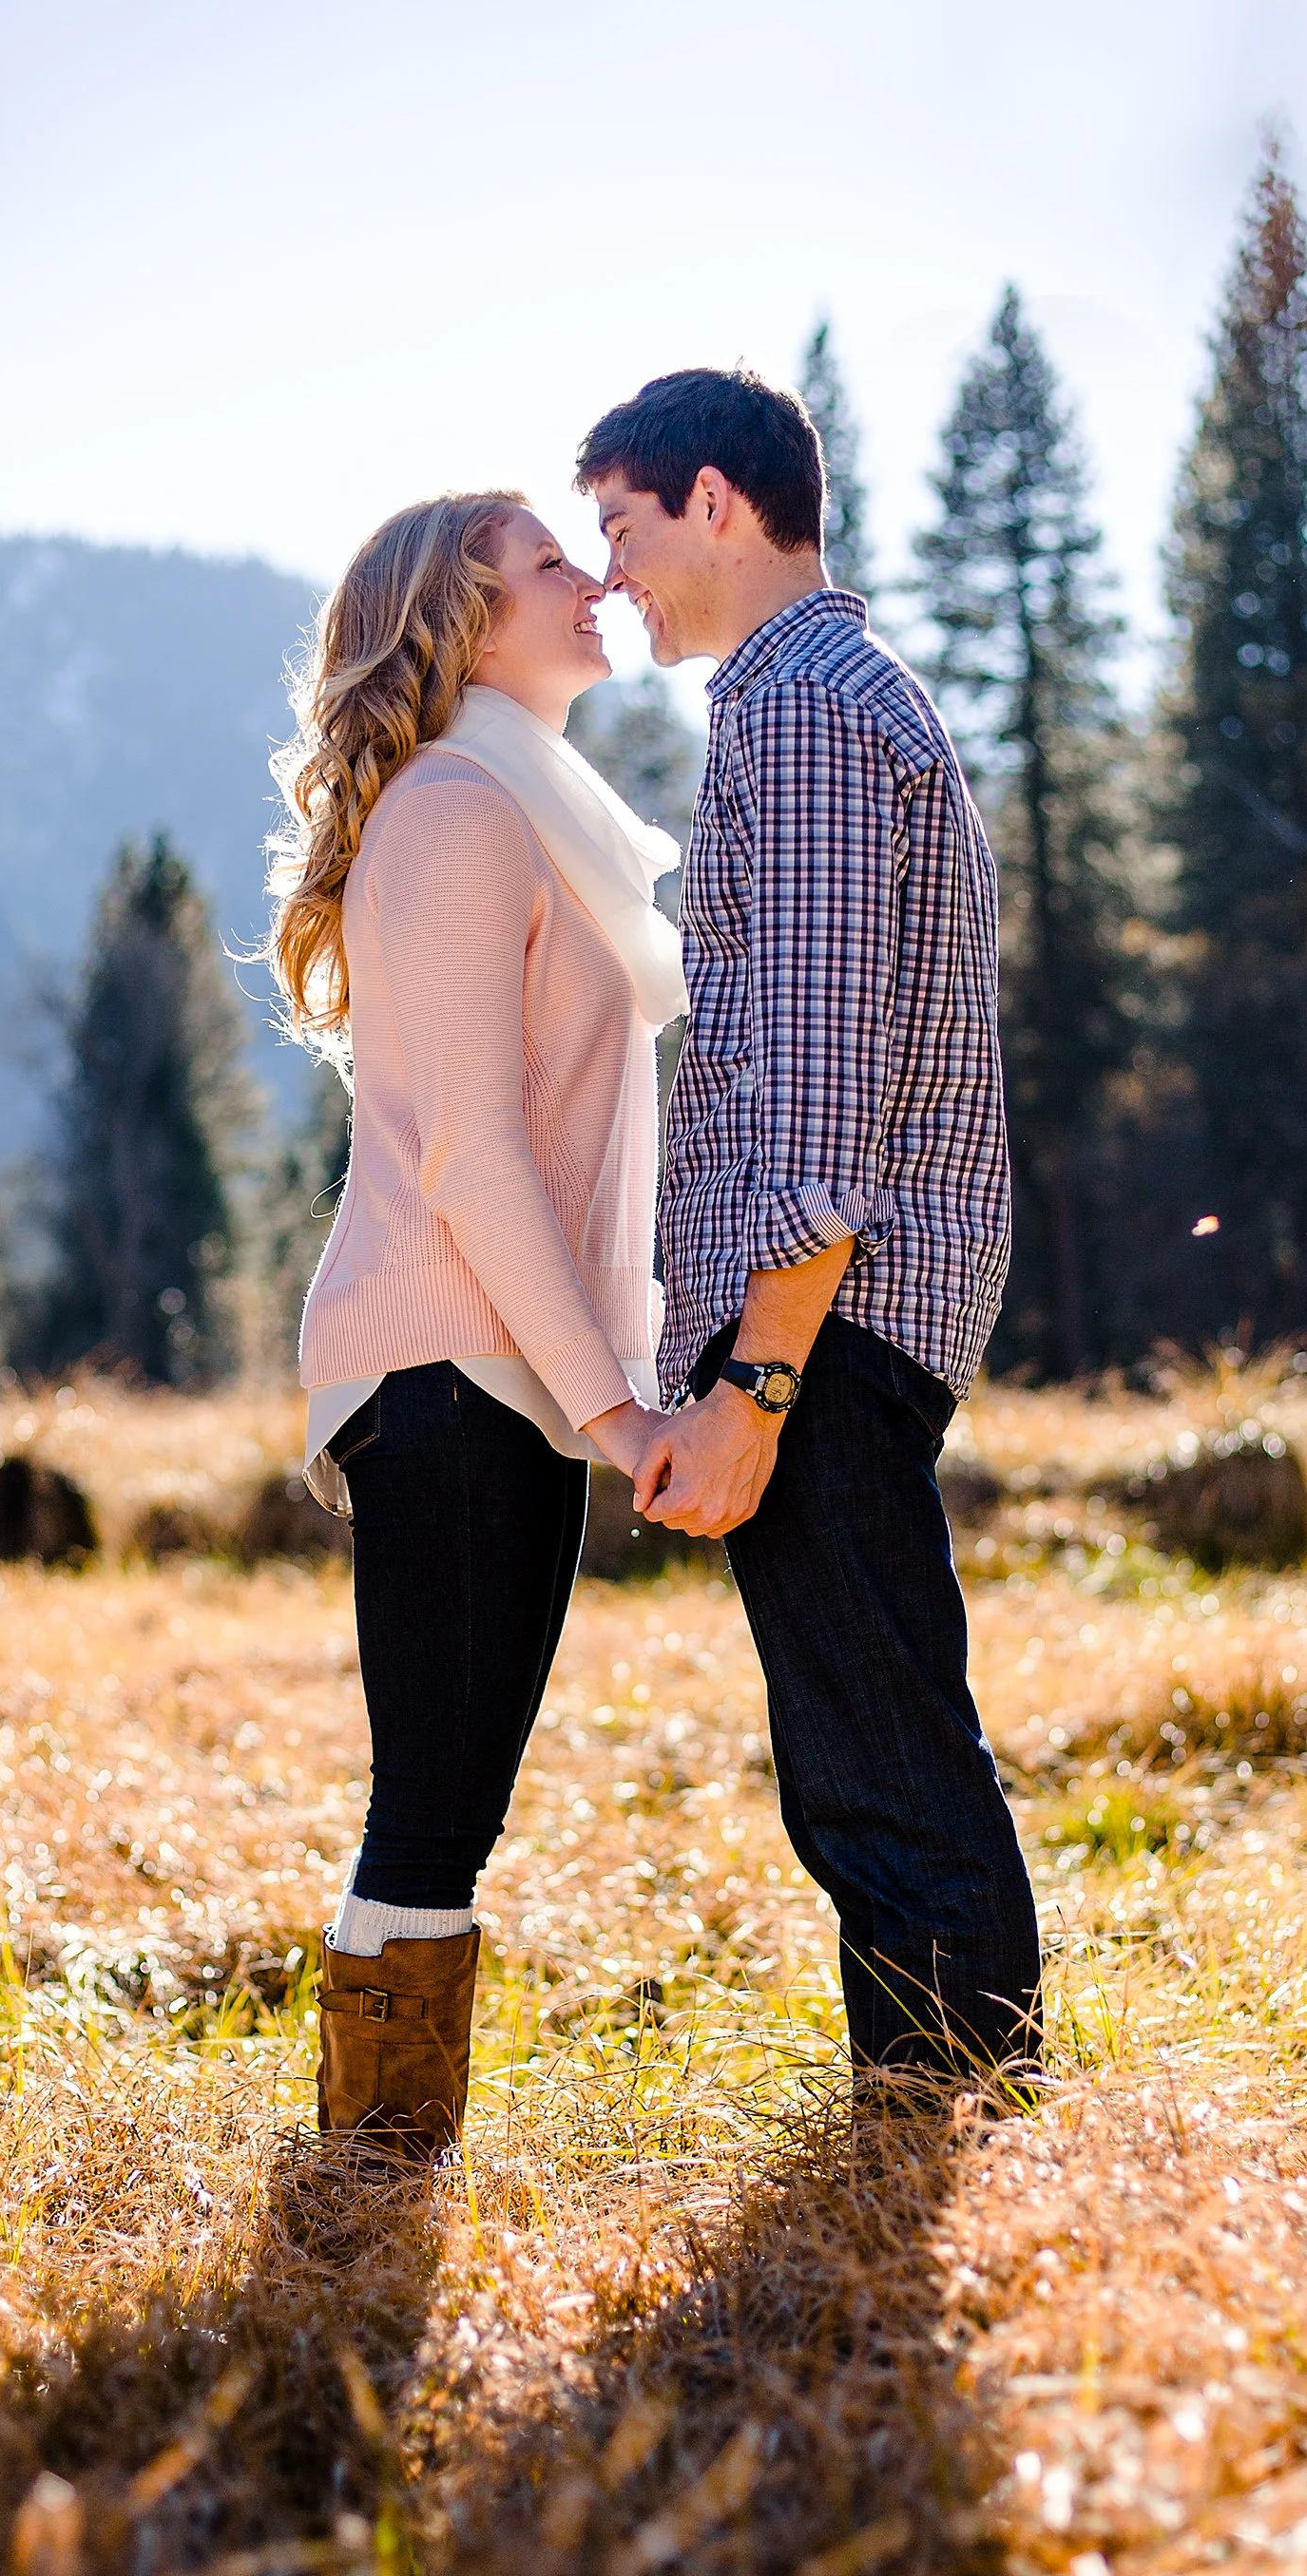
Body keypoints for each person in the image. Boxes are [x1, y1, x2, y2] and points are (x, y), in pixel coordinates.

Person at [575, 368, 1043, 2101]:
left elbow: (823, 1076)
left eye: (621, 528)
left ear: (713, 499)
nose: (610, 575)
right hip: (829, 1316)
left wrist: (758, 1380)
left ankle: (953, 2122)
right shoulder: (811, 698)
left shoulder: (810, 708)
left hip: (825, 1323)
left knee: (876, 1745)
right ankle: (942, 2108)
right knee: (870, 1721)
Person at [266, 492, 682, 2156]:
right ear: (458, 620)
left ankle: (380, 2169)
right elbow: (474, 1152)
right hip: (448, 1367)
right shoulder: (455, 810)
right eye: (549, 564)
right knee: (434, 1802)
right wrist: (613, 1408)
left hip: (501, 1371)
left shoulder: (538, 808)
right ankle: (369, 2181)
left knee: (456, 1800)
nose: (594, 584)